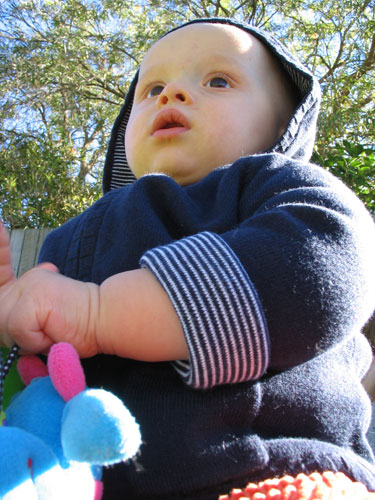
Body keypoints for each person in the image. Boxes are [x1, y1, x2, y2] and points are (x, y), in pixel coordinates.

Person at [1, 17, 375, 500]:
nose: (171, 92)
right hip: (92, 481)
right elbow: (44, 363)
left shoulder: (277, 187)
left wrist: (99, 313)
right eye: (152, 86)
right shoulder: (73, 237)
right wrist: (11, 318)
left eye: (218, 80)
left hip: (267, 468)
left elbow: (319, 270)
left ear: (284, 124)